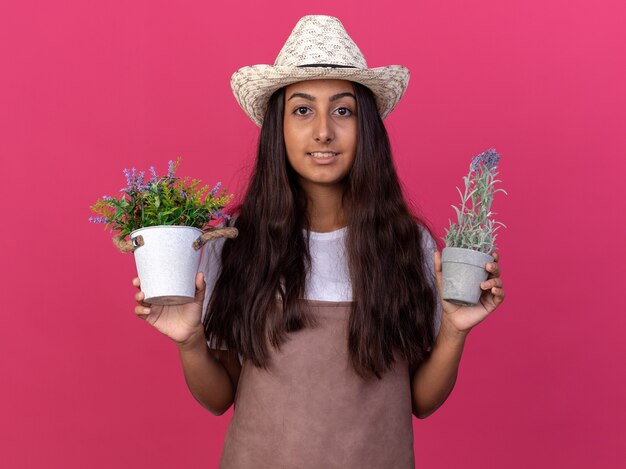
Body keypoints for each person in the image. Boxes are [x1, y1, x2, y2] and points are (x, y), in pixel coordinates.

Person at [132, 14, 505, 468]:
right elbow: (220, 398)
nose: (323, 130)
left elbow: (421, 401)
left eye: (343, 110)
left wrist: (453, 330)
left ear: (366, 127)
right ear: (279, 128)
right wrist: (189, 341)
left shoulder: (411, 244)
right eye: (303, 110)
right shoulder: (234, 244)